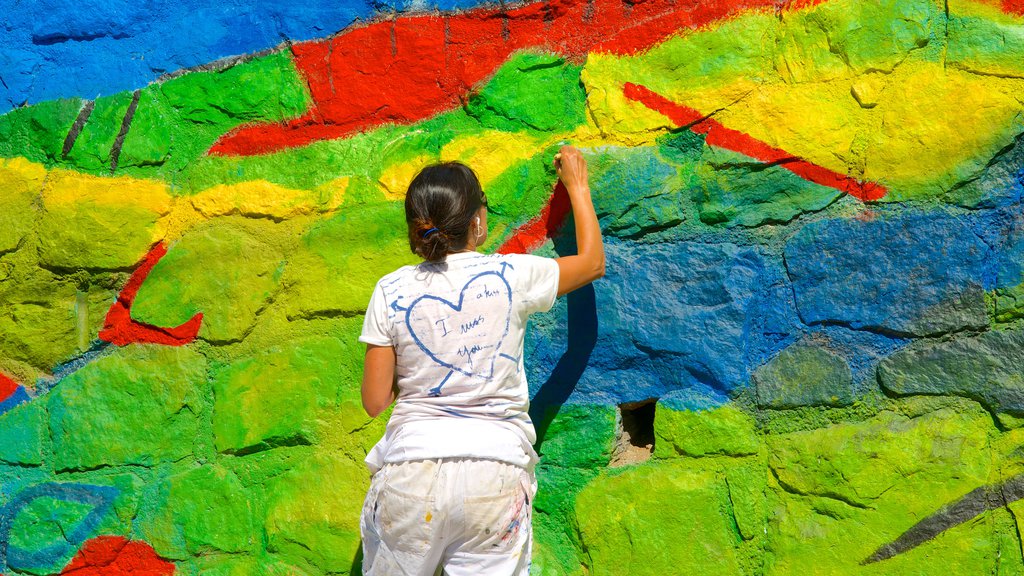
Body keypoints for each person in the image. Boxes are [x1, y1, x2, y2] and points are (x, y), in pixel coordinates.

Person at [358, 145, 604, 575]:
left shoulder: (390, 289)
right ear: (476, 220)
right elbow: (592, 264)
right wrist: (577, 186)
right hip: (496, 472)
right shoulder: (513, 274)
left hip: (409, 473)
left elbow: (375, 400)